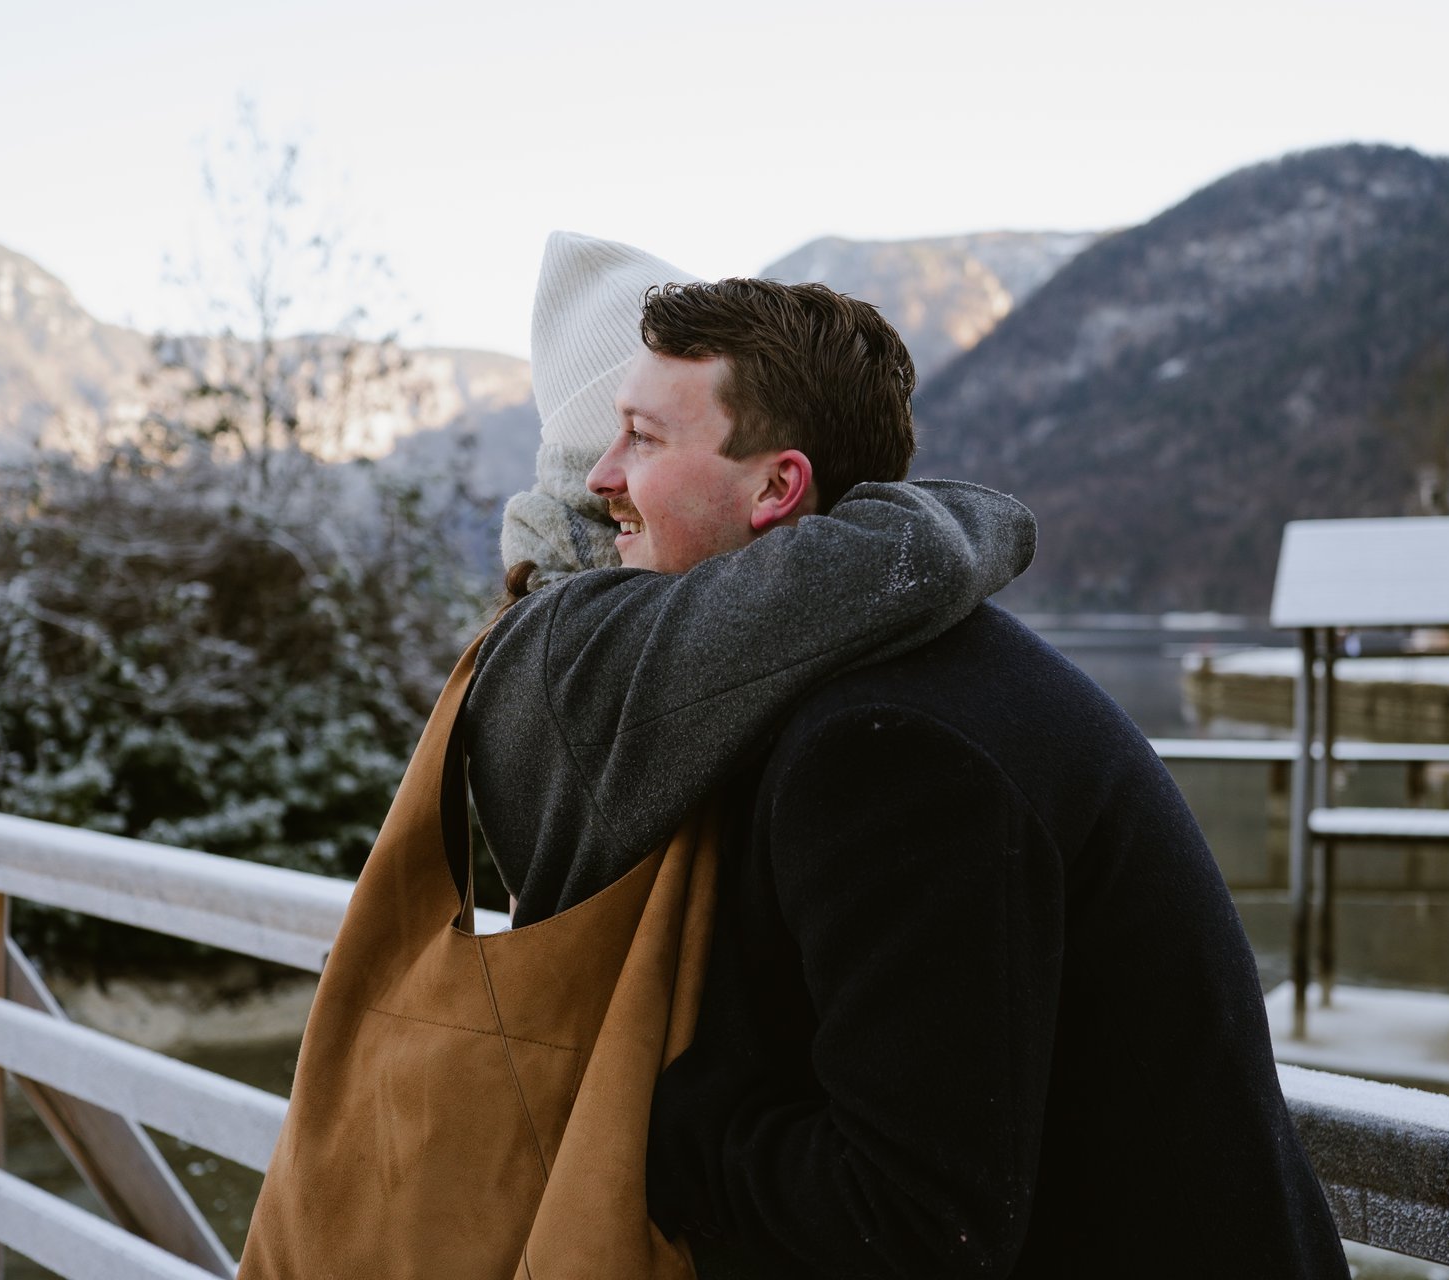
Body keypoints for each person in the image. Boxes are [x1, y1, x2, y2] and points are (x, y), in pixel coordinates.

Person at [466, 232, 1348, 1277]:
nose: (601, 478)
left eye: (643, 440)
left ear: (777, 488)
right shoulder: (852, 682)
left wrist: (645, 1107)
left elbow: (914, 1223)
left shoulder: (890, 752)